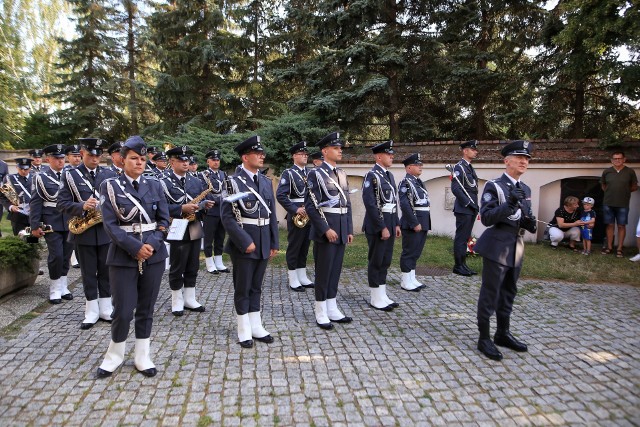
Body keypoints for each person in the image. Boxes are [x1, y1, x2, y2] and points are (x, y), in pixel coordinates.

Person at [96, 135, 169, 378]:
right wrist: (133, 247)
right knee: (123, 310)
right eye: (133, 158)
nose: (139, 163)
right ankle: (114, 356)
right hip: (123, 255)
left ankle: (142, 355)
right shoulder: (110, 186)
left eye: (142, 159)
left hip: (153, 254)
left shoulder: (155, 185)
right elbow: (110, 225)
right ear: (122, 160)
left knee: (146, 308)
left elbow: (164, 221)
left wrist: (151, 244)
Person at [473, 140, 537, 361]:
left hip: (516, 246)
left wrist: (529, 223)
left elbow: (524, 215)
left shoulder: (526, 188)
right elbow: (488, 218)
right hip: (497, 246)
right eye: (519, 157)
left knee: (509, 291)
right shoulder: (495, 186)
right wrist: (508, 204)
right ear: (506, 160)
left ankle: (502, 333)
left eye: (527, 158)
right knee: (491, 293)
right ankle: (484, 338)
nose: (524, 161)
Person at [221, 135, 279, 348]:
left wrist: (274, 242)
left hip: (263, 240)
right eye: (257, 153)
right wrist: (244, 241)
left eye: (262, 153)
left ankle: (256, 326)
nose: (262, 156)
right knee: (243, 287)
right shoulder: (233, 182)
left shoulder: (264, 181)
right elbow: (227, 217)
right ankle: (243, 329)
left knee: (256, 286)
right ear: (245, 157)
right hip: (245, 241)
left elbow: (271, 213)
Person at [58, 138, 117, 329]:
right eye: (91, 154)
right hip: (84, 232)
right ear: (82, 153)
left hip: (105, 230)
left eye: (98, 155)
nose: (95, 158)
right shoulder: (70, 175)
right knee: (89, 272)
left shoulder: (108, 174)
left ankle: (106, 309)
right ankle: (91, 311)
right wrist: (81, 206)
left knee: (106, 272)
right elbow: (61, 203)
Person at [305, 132, 353, 329]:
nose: (340, 150)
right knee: (324, 271)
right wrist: (325, 229)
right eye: (336, 147)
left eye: (340, 147)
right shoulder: (315, 174)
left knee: (335, 271)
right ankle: (320, 311)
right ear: (325, 151)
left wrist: (348, 228)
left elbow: (347, 203)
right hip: (327, 230)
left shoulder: (341, 173)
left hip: (341, 228)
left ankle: (332, 307)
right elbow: (311, 206)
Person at [160, 146, 214, 316]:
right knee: (178, 264)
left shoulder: (196, 181)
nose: (186, 163)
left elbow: (201, 201)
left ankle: (190, 298)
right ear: (172, 162)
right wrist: (180, 208)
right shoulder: (162, 181)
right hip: (176, 225)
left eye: (187, 160)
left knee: (193, 263)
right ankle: (177, 299)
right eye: (181, 160)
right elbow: (160, 207)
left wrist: (205, 206)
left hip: (194, 224)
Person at [29, 144, 74, 303]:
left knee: (67, 255)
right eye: (56, 158)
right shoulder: (40, 177)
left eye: (62, 158)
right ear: (48, 159)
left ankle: (63, 286)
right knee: (56, 255)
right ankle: (54, 288)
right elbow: (35, 202)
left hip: (69, 220)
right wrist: (34, 225)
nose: (60, 161)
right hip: (51, 220)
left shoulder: (70, 175)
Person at [362, 140, 401, 311]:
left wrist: (396, 224)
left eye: (392, 154)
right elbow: (370, 204)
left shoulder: (389, 175)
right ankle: (375, 297)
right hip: (378, 225)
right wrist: (382, 227)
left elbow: (393, 202)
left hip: (390, 223)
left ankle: (382, 294)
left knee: (385, 261)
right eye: (388, 154)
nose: (392, 157)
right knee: (376, 261)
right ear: (379, 157)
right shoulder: (372, 176)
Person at [276, 141, 315, 292]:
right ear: (294, 156)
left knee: (305, 246)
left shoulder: (311, 173)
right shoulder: (289, 173)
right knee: (295, 246)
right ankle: (293, 278)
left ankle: (302, 276)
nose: (305, 156)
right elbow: (281, 195)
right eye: (301, 154)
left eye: (306, 154)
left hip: (310, 214)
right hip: (297, 216)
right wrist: (295, 209)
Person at [398, 153, 431, 291]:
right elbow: (405, 205)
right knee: (409, 251)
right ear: (409, 167)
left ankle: (412, 277)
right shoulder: (405, 183)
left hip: (422, 221)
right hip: (413, 222)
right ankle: (405, 280)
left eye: (420, 164)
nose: (420, 167)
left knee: (416, 252)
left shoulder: (418, 182)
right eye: (417, 165)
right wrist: (414, 222)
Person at [600, 151, 638, 257]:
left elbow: (634, 186)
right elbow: (603, 185)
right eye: (615, 158)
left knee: (621, 225)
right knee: (609, 225)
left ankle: (620, 248)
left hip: (623, 203)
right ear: (612, 160)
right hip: (608, 203)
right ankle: (609, 247)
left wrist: (624, 191)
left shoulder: (630, 172)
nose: (617, 160)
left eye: (619, 158)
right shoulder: (607, 171)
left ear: (624, 159)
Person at [451, 140, 480, 276]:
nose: (475, 151)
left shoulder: (469, 167)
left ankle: (463, 264)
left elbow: (472, 188)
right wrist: (468, 203)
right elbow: (455, 188)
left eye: (475, 150)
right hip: (464, 208)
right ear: (465, 151)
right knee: (461, 238)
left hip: (471, 208)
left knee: (466, 238)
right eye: (473, 149)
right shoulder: (459, 167)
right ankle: (458, 266)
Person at [200, 149, 230, 274]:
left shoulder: (223, 174)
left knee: (220, 237)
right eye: (213, 160)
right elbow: (203, 192)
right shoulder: (203, 175)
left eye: (218, 160)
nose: (216, 162)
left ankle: (219, 261)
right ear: (208, 161)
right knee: (209, 238)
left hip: (222, 211)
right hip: (211, 210)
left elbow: (227, 189)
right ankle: (209, 263)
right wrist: (217, 201)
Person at [1, 158, 33, 235]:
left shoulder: (36, 178)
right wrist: (10, 206)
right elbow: (3, 196)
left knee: (32, 240)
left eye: (26, 169)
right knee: (20, 240)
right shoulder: (10, 179)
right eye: (21, 168)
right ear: (17, 167)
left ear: (30, 167)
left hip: (33, 214)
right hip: (18, 215)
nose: (23, 171)